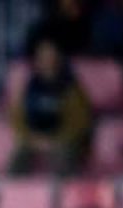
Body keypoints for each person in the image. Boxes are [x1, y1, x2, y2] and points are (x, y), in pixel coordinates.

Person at [8, 39, 93, 176]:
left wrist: (55, 139)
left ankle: (62, 194)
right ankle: (14, 194)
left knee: (64, 160)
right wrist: (32, 138)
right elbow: (16, 117)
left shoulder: (70, 87)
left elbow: (80, 121)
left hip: (62, 138)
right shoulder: (29, 87)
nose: (47, 61)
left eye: (51, 56)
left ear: (58, 59)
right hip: (35, 137)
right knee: (17, 162)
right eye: (43, 57)